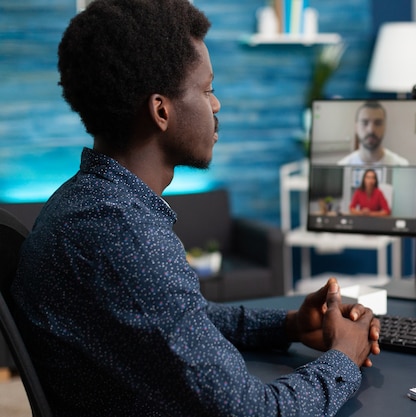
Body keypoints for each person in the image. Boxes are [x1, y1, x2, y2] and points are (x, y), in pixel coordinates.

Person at [10, 1, 380, 415]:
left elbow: (183, 321)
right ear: (161, 110)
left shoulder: (87, 201)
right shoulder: (123, 233)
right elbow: (255, 412)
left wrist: (290, 325)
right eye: (206, 90)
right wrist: (345, 355)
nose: (216, 105)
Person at [338, 101, 409, 166]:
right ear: (356, 127)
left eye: (378, 123)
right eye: (365, 123)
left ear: (385, 127)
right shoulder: (342, 165)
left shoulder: (401, 164)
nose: (371, 130)